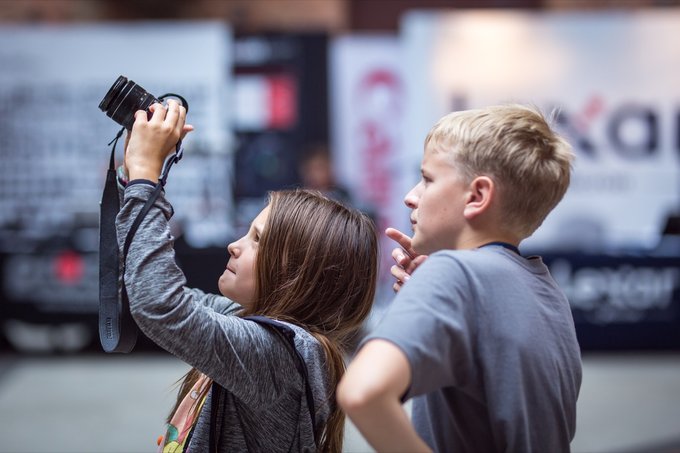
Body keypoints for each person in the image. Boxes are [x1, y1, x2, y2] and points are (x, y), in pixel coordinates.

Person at [117, 100, 379, 452]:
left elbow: (160, 305)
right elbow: (146, 284)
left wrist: (146, 181)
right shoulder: (246, 322)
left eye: (256, 239)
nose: (233, 246)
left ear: (297, 273)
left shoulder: (278, 355)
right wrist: (134, 174)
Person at [337, 104, 583, 452]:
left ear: (478, 196)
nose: (411, 196)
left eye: (427, 179)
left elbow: (362, 392)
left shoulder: (453, 275)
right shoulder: (547, 291)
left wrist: (439, 283)